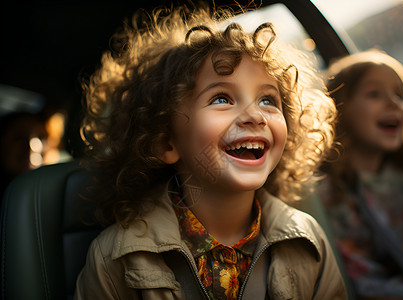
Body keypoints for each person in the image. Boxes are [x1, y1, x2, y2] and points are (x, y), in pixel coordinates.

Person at [74, 5, 346, 300]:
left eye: (268, 100)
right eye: (221, 98)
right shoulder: (115, 258)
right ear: (166, 142)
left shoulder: (308, 240)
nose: (255, 115)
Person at [318, 49, 403, 299]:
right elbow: (350, 276)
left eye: (400, 96)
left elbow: (389, 251)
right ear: (339, 109)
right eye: (374, 94)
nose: (393, 103)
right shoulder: (329, 191)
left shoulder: (401, 180)